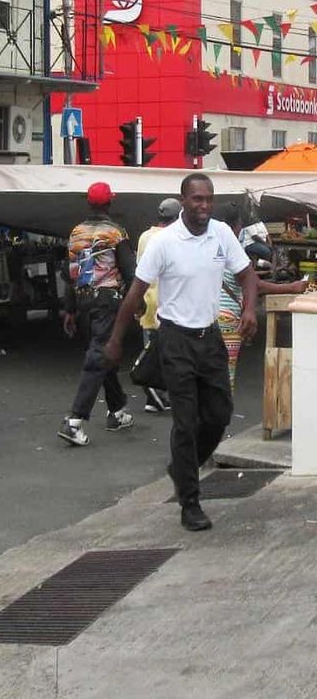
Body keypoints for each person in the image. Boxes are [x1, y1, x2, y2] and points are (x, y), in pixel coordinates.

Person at [105, 173, 258, 532]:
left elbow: (247, 275)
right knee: (185, 422)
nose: (203, 206)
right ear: (183, 200)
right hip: (175, 339)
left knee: (219, 415)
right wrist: (115, 340)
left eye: (208, 199)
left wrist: (249, 310)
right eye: (196, 200)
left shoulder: (221, 233)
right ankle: (190, 501)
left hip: (211, 337)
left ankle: (183, 467)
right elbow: (134, 293)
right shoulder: (165, 242)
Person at [58, 181, 137, 447]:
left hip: (82, 302)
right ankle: (74, 420)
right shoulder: (115, 233)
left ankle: (117, 412)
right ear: (109, 203)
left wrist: (68, 309)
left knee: (105, 356)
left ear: (89, 203)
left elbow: (71, 274)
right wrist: (138, 303)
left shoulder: (76, 233)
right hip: (106, 301)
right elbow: (129, 272)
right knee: (99, 356)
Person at [217, 203, 305, 389]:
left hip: (205, 319)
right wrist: (292, 287)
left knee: (207, 375)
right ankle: (218, 415)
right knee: (225, 378)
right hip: (227, 319)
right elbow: (255, 285)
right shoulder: (232, 249)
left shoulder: (205, 246)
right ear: (237, 226)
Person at [134, 198, 182, 414]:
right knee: (167, 353)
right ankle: (154, 390)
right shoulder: (171, 238)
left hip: (146, 299)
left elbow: (139, 268)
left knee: (150, 348)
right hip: (165, 300)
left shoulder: (145, 236)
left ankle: (153, 400)